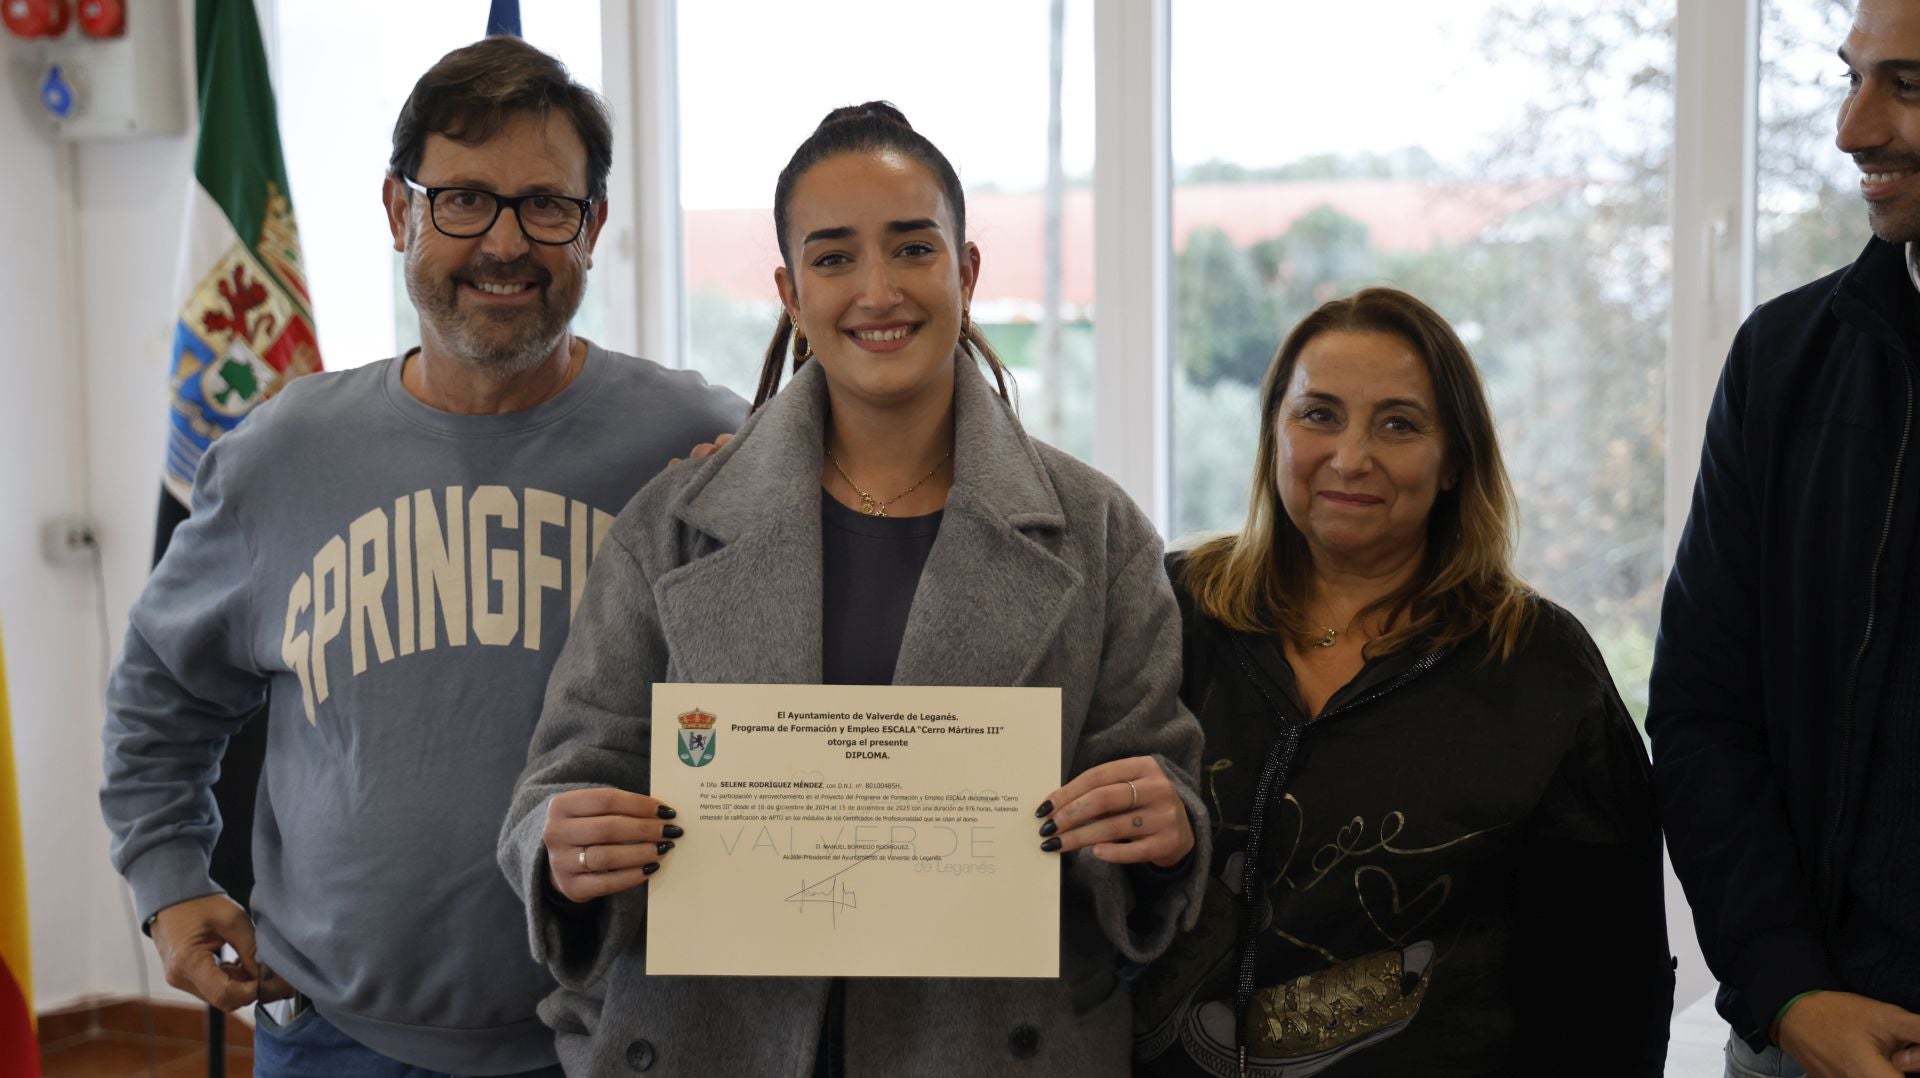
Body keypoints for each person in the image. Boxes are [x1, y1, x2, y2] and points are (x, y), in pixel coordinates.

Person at [495, 102, 1207, 1076]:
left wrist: (1158, 828)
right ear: (790, 292)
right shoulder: (669, 524)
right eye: (834, 258)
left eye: (913, 248)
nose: (878, 290)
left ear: (966, 271)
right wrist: (562, 843)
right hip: (706, 1038)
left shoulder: (1101, 531)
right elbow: (563, 781)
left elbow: (1155, 780)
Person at [100, 36, 744, 1076]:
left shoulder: (698, 445)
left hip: (614, 1033)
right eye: (463, 200)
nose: (505, 241)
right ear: (400, 212)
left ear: (592, 228)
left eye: (546, 205)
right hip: (335, 1037)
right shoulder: (283, 455)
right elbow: (161, 691)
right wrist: (168, 876)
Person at [1133, 288, 1672, 1077]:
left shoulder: (1541, 669)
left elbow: (1611, 989)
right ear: (1275, 431)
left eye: (1398, 425)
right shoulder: (1166, 611)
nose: (1352, 457)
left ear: (1454, 459)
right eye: (1319, 415)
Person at [1649, 1, 1920, 1074]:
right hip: (1810, 1042)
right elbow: (1703, 709)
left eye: (1909, 86)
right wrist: (1789, 989)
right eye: (1851, 78)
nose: (1854, 130)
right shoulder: (1784, 362)